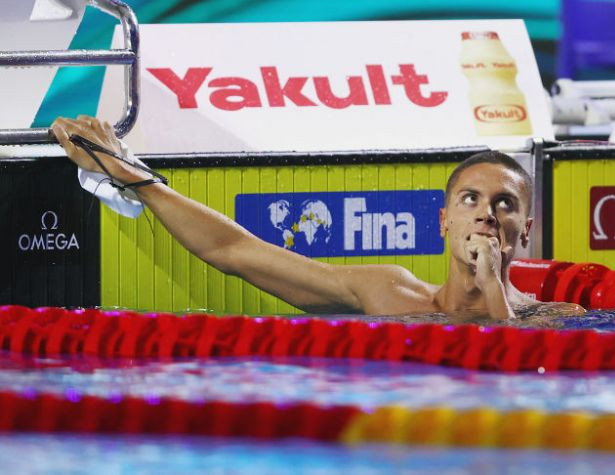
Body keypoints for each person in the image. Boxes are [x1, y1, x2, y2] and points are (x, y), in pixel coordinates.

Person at [51, 115, 584, 319]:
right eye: (470, 199)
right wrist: (136, 178)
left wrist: (491, 285)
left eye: (504, 204)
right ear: (443, 219)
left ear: (525, 232)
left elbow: (521, 374)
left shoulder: (559, 320)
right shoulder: (386, 294)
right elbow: (234, 250)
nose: (486, 214)